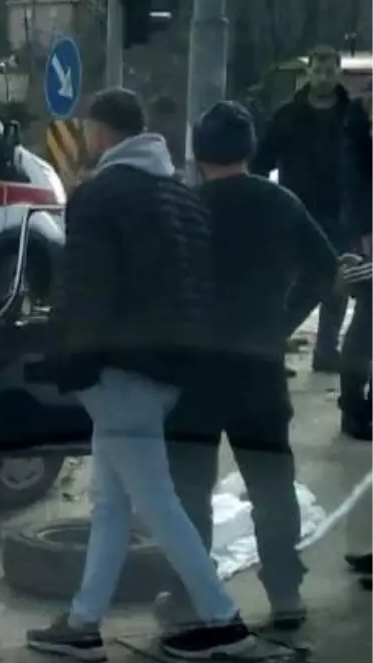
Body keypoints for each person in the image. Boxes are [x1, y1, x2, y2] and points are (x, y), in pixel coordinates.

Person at [26, 89, 255, 663]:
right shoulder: (180, 195)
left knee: (153, 501)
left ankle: (221, 618)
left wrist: (69, 361)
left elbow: (84, 287)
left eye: (89, 130)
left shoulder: (99, 196)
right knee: (112, 503)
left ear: (103, 132)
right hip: (167, 370)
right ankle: (83, 622)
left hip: (118, 369)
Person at [158, 101, 337, 633]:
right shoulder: (280, 202)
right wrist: (284, 321)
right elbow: (326, 271)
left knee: (189, 486)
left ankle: (192, 595)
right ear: (250, 149)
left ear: (199, 152)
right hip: (259, 364)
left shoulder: (184, 207)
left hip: (196, 371)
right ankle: (285, 593)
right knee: (271, 482)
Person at [251, 45, 353, 372]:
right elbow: (263, 159)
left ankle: (326, 350)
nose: (324, 77)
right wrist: (260, 198)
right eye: (318, 70)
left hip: (340, 210)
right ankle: (270, 345)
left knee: (338, 280)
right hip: (295, 209)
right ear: (308, 72)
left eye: (330, 70)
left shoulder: (352, 115)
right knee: (298, 282)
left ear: (339, 72)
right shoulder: (288, 115)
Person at [339, 80, 373, 438]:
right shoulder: (365, 107)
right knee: (367, 317)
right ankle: (353, 407)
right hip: (369, 228)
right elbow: (357, 175)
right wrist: (366, 230)